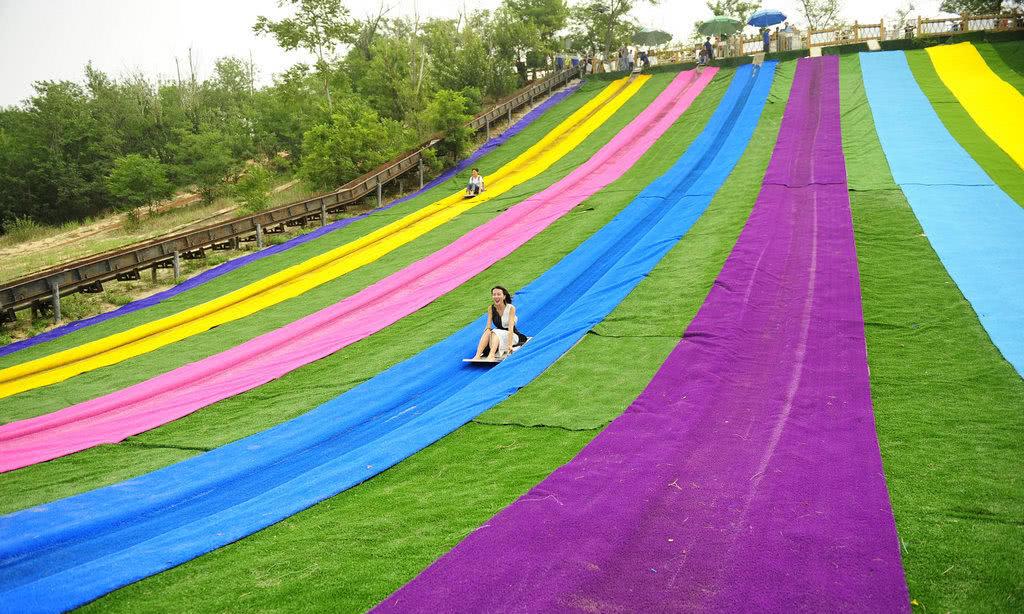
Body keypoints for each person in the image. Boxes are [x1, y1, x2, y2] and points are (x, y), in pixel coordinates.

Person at [472, 286, 528, 361]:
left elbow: (510, 328)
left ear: (504, 296)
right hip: (496, 336)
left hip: (512, 336)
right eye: (494, 294)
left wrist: (510, 345)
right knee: (488, 331)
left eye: (498, 294)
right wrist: (487, 335)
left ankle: (491, 355)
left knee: (495, 332)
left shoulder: (511, 308)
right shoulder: (491, 308)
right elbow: (488, 326)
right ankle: (477, 355)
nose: (496, 296)